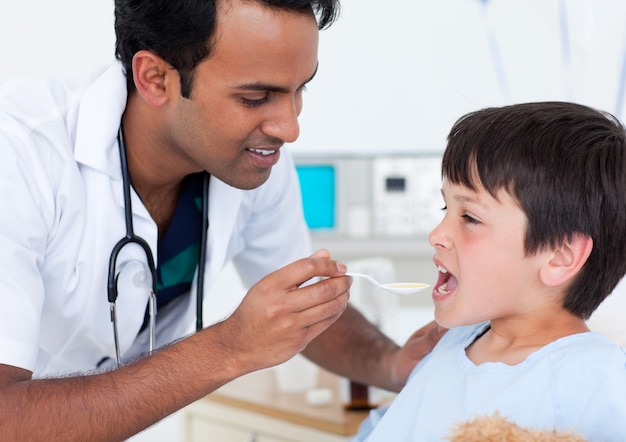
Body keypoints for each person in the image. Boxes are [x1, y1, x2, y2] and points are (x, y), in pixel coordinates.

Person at [0, 0, 445, 440]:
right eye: (256, 97)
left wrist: (391, 363)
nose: (288, 128)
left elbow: (300, 307)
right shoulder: (19, 156)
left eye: (300, 90)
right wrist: (231, 347)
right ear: (155, 79)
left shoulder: (255, 159)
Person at [353, 101, 626, 441]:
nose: (436, 234)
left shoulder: (597, 378)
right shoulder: (450, 343)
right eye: (445, 206)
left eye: (470, 217)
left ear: (559, 257)